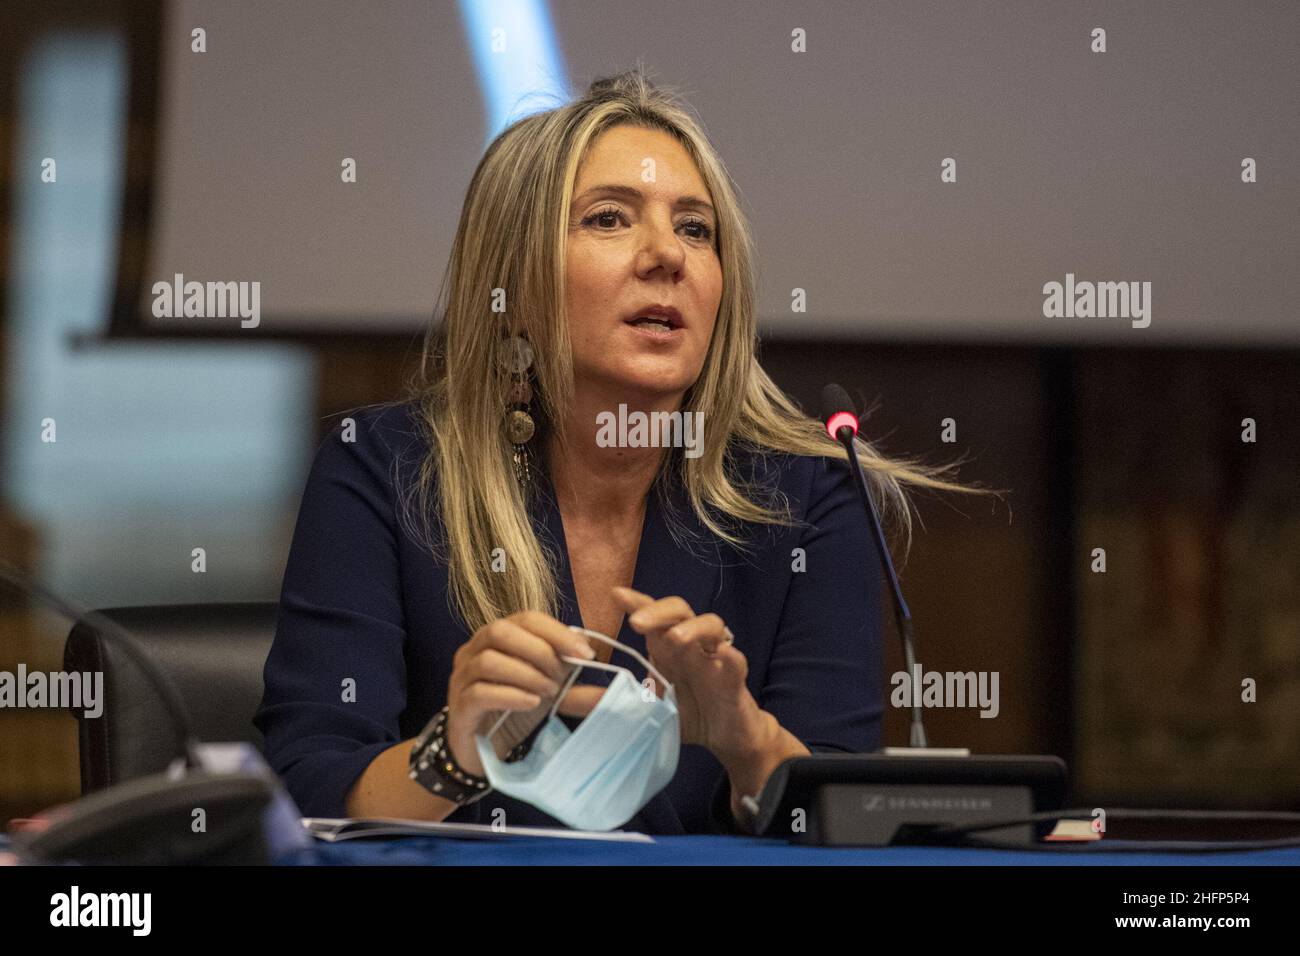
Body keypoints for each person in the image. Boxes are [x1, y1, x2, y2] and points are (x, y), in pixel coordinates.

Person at [253, 68, 976, 835]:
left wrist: (744, 738)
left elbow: (848, 827)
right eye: (608, 219)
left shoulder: (807, 499)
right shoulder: (383, 469)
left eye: (697, 229)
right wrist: (457, 748)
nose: (669, 255)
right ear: (515, 284)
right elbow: (304, 791)